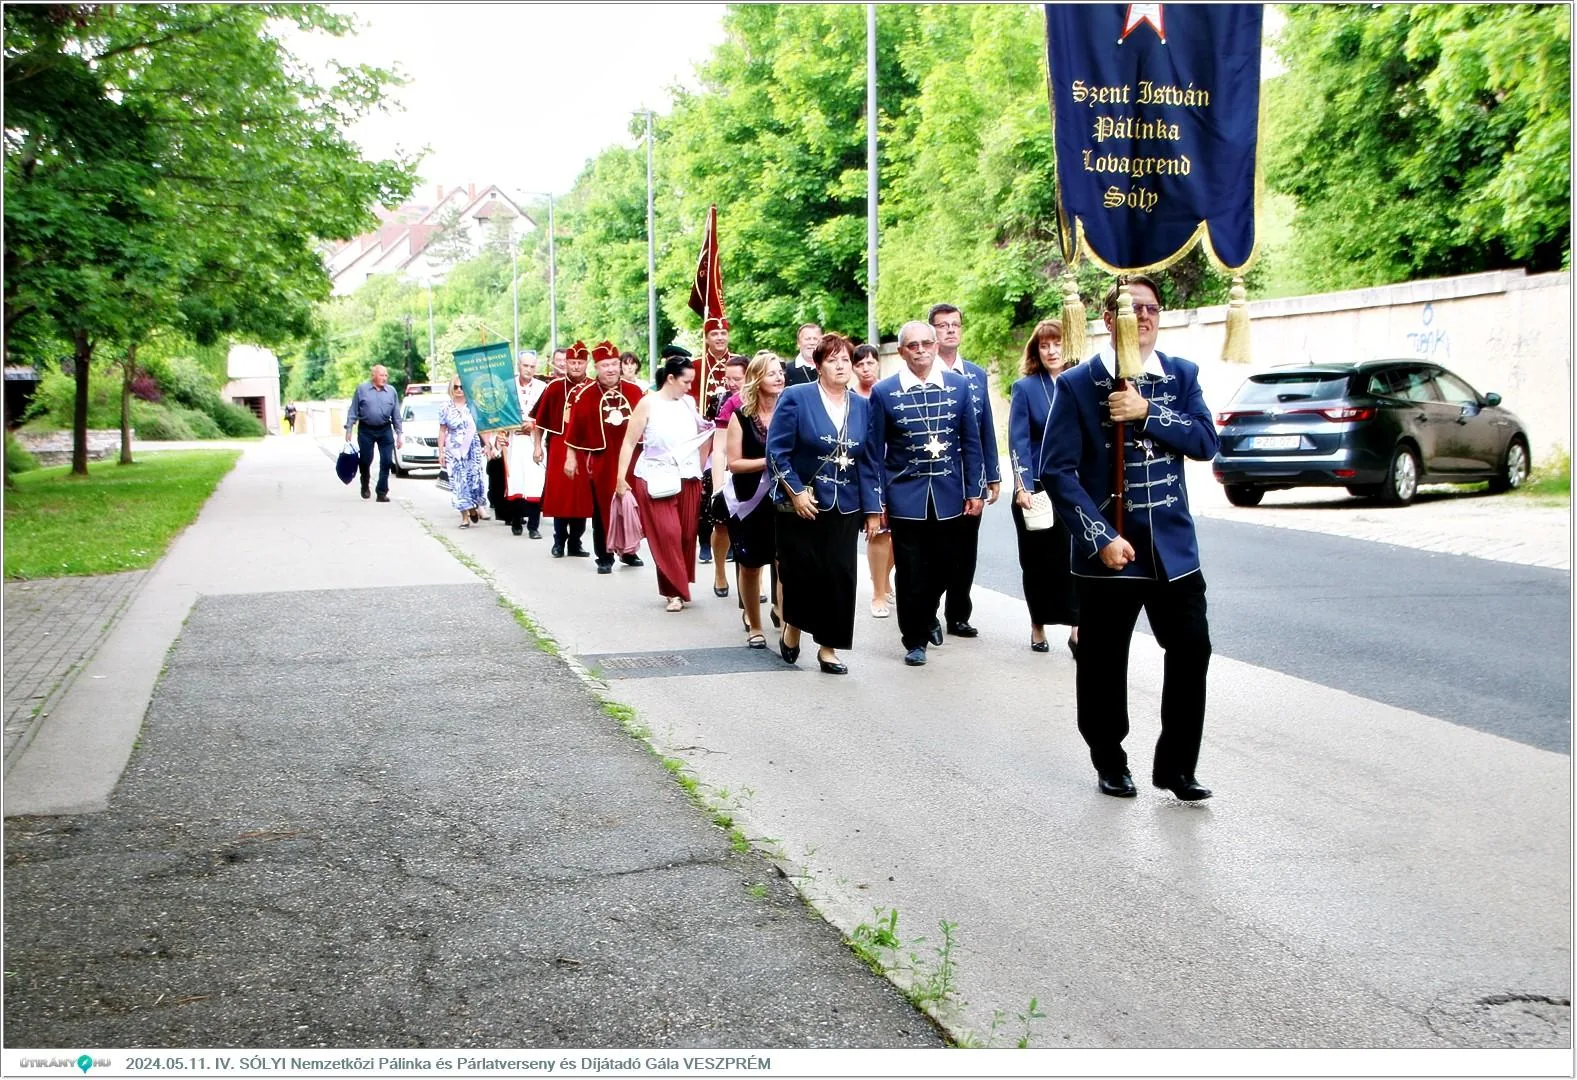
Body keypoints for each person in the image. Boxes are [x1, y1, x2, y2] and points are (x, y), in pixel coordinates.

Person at [1039, 275, 1219, 802]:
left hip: (1173, 549)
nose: (1142, 317)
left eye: (1151, 308)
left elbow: (1206, 442)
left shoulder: (1181, 375)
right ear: (1107, 318)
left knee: (1192, 649)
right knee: (1103, 660)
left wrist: (1148, 412)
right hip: (1110, 552)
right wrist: (1099, 537)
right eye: (1131, 308)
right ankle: (1109, 759)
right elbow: (1057, 471)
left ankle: (1177, 768)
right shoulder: (1079, 383)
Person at [865, 320, 985, 667]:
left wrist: (975, 488)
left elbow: (970, 443)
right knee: (912, 569)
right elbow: (874, 451)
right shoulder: (885, 392)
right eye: (912, 345)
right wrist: (877, 502)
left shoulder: (960, 387)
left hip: (950, 493)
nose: (920, 351)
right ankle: (914, 638)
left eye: (926, 344)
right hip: (905, 494)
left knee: (948, 566)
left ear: (935, 346)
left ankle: (929, 612)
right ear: (901, 351)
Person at [768, 333, 878, 675]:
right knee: (801, 572)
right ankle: (794, 626)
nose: (841, 366)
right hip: (803, 503)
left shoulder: (862, 405)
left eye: (846, 360)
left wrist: (874, 509)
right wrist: (795, 491)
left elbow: (870, 461)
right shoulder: (796, 398)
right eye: (833, 360)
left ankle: (829, 648)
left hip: (846, 504)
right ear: (818, 366)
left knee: (840, 575)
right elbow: (777, 451)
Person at [616, 354, 713, 612]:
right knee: (667, 533)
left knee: (686, 534)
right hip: (656, 476)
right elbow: (628, 442)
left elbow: (702, 434)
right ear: (670, 378)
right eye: (685, 381)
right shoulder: (648, 403)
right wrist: (620, 479)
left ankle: (678, 586)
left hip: (688, 475)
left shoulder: (689, 402)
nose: (689, 387)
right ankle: (674, 592)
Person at [929, 303, 1000, 639]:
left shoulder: (975, 374)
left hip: (969, 474)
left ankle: (958, 613)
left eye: (955, 324)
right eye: (943, 325)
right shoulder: (922, 372)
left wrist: (992, 475)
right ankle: (927, 611)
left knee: (965, 549)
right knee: (936, 550)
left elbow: (985, 426)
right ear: (932, 332)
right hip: (934, 476)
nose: (950, 330)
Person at [1009, 319, 1080, 653]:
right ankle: (1038, 625)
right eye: (1045, 345)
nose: (1052, 351)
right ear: (1036, 350)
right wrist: (1021, 486)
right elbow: (1018, 440)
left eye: (1057, 344)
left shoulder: (1083, 382)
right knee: (1038, 562)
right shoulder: (1026, 388)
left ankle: (1077, 626)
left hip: (1075, 486)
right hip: (1035, 489)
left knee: (1075, 559)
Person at [565, 341, 647, 575]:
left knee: (631, 506)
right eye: (604, 365)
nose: (610, 369)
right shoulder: (586, 395)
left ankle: (629, 551)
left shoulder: (634, 392)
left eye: (614, 364)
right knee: (603, 508)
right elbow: (574, 431)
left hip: (631, 459)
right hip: (602, 460)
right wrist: (570, 458)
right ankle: (604, 555)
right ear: (596, 367)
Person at [724, 351, 785, 648]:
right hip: (749, 500)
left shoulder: (790, 411)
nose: (779, 377)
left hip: (784, 499)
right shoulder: (740, 417)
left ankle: (785, 618)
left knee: (783, 561)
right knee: (750, 565)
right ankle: (755, 625)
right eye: (772, 373)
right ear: (757, 379)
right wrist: (768, 462)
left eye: (780, 372)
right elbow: (733, 463)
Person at [532, 341, 594, 557]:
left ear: (586, 364)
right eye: (572, 362)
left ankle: (576, 542)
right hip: (559, 444)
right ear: (566, 363)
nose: (576, 367)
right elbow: (539, 422)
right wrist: (537, 447)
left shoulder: (593, 388)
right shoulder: (554, 387)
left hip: (586, 447)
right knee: (561, 494)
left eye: (580, 362)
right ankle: (559, 541)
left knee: (581, 496)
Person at [851, 343, 894, 618]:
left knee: (896, 533)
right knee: (877, 529)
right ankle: (878, 592)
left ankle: (886, 579)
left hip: (892, 467)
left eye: (871, 362)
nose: (866, 368)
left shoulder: (888, 391)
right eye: (861, 364)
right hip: (861, 469)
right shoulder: (851, 397)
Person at [700, 354, 747, 587]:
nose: (730, 383)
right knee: (722, 526)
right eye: (727, 378)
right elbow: (713, 443)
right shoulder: (721, 401)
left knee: (750, 529)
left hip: (753, 471)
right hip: (723, 469)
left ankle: (753, 581)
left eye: (736, 378)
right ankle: (720, 571)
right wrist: (716, 484)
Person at [344, 364, 404, 502]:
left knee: (387, 461)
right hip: (366, 429)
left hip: (385, 429)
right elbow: (353, 410)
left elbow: (396, 414)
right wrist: (349, 428)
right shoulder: (362, 390)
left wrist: (399, 434)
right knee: (365, 460)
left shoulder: (391, 391)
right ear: (373, 376)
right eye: (381, 375)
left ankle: (382, 492)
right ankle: (365, 484)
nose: (384, 378)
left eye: (386, 375)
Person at [438, 376, 487, 527]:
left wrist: (488, 445)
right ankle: (464, 517)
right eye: (456, 387)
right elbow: (442, 431)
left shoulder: (474, 406)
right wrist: (441, 451)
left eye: (462, 387)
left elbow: (482, 427)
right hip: (454, 450)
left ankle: (473, 507)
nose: (459, 390)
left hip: (472, 449)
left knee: (473, 481)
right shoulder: (445, 408)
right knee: (458, 483)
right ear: (451, 389)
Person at [511, 350, 546, 538]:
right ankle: (516, 521)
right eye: (525, 365)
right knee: (516, 480)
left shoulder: (542, 387)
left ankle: (533, 526)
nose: (529, 370)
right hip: (513, 439)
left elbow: (546, 415)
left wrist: (532, 424)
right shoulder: (509, 387)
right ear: (519, 366)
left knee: (534, 482)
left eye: (532, 366)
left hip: (535, 439)